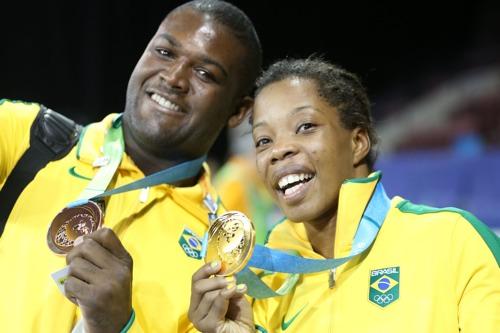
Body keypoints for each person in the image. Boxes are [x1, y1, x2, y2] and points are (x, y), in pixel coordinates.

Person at [0, 0, 261, 332]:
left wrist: (119, 325)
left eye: (204, 73)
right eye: (165, 52)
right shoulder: (25, 138)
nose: (174, 77)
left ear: (238, 111)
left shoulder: (223, 262)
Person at [188, 58, 500, 332]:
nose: (278, 151)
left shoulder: (453, 241)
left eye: (305, 126)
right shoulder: (261, 285)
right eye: (263, 140)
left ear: (358, 142)